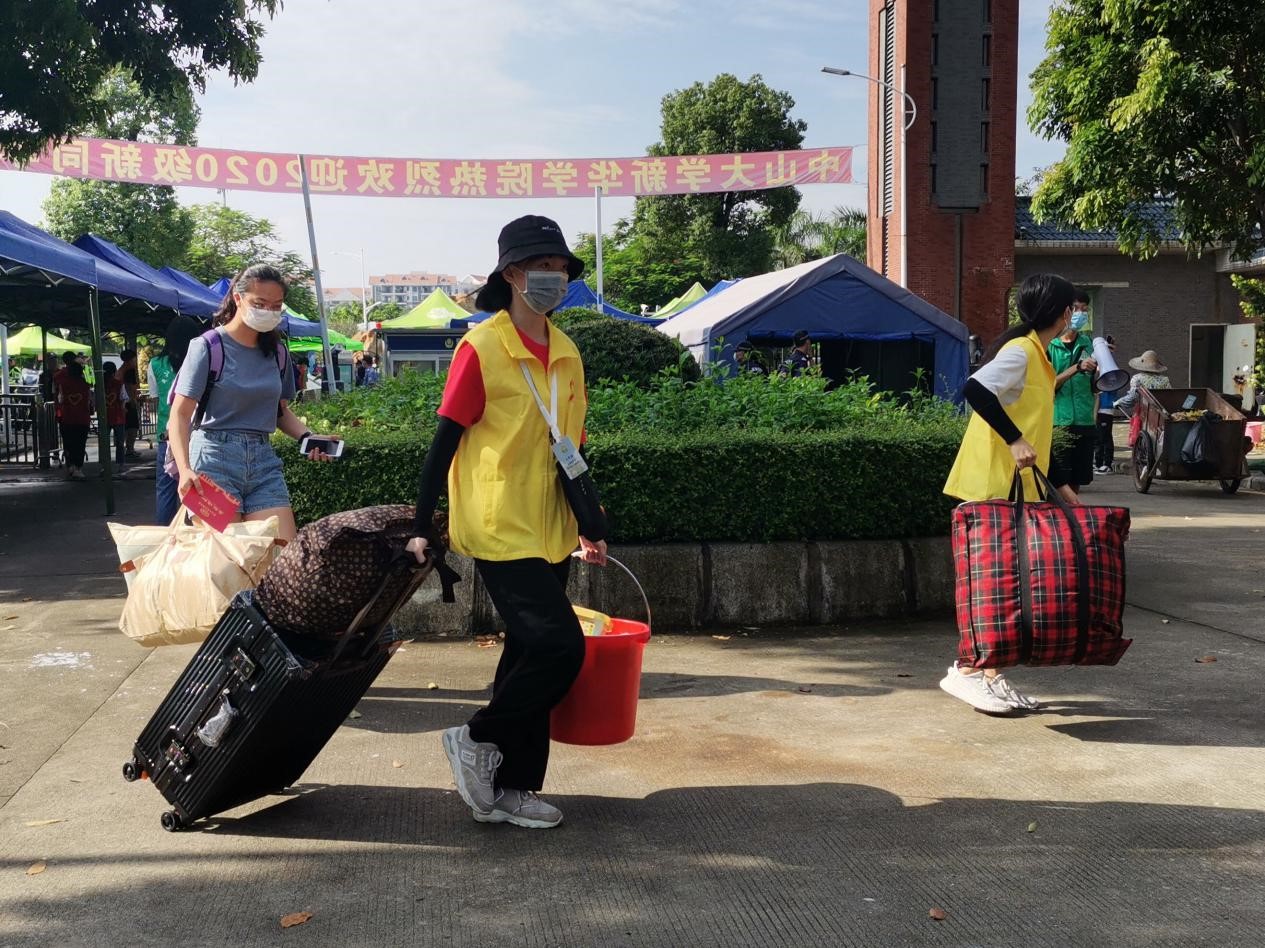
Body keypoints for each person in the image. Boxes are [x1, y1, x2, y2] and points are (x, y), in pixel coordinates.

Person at [406, 215, 607, 831]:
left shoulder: (568, 352)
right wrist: (421, 523)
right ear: (513, 275)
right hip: (496, 521)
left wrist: (587, 523)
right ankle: (475, 737)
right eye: (541, 268)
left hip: (548, 523)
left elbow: (569, 446)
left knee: (524, 654)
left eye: (560, 269)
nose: (554, 278)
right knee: (559, 646)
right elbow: (444, 442)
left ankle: (513, 788)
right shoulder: (482, 348)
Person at [940, 273, 1080, 715]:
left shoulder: (1040, 359)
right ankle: (965, 672)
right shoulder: (1020, 353)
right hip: (990, 489)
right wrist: (1014, 439)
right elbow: (975, 389)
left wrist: (1062, 486)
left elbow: (1038, 433)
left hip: (1013, 492)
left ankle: (992, 675)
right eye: (1073, 307)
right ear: (1063, 313)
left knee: (1008, 591)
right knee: (989, 588)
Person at [168, 264, 338, 543]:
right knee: (228, 563)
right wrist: (185, 469)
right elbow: (180, 415)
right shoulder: (208, 347)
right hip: (211, 461)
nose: (268, 311)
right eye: (259, 303)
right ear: (237, 298)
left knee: (281, 555)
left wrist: (309, 437)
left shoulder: (278, 353)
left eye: (276, 306)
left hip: (262, 462)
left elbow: (278, 411)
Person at [148, 315, 204, 524]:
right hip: (198, 433)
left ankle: (166, 539)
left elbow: (155, 397)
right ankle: (196, 536)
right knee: (198, 490)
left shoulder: (154, 364)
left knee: (165, 490)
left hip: (167, 434)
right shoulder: (202, 360)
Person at [1047, 289, 1098, 495]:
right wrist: (1076, 367)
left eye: (1084, 310)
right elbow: (1048, 386)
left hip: (1085, 421)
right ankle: (1056, 520)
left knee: (1077, 480)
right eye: (1076, 308)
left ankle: (1071, 521)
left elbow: (1094, 387)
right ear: (1064, 312)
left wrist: (1103, 367)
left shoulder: (1089, 344)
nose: (1080, 314)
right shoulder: (1049, 346)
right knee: (1057, 481)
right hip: (1059, 422)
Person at [52, 351, 93, 481]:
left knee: (68, 443)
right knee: (80, 444)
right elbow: (90, 400)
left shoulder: (61, 381)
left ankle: (70, 466)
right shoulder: (86, 385)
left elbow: (59, 398)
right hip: (82, 419)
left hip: (66, 417)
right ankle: (78, 468)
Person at [1113, 350, 1172, 416]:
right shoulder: (1165, 380)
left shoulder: (1137, 378)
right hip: (1161, 414)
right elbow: (1169, 397)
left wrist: (1119, 402)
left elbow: (1132, 397)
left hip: (1143, 413)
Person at [1094, 335, 1119, 474]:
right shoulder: (1105, 365)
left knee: (1104, 436)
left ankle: (1106, 464)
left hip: (1106, 406)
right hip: (1102, 406)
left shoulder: (1110, 366)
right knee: (1101, 436)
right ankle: (1099, 463)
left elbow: (1112, 385)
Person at [102, 362, 128, 471]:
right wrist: (123, 408)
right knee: (120, 442)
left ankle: (105, 465)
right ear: (114, 371)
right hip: (118, 416)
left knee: (104, 442)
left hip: (104, 416)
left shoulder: (100, 384)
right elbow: (124, 398)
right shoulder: (119, 383)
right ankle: (120, 464)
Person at [119, 348, 142, 460]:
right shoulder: (128, 371)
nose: (135, 362)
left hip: (127, 402)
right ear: (128, 360)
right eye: (134, 359)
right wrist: (134, 401)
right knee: (132, 427)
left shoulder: (122, 370)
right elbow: (130, 387)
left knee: (129, 427)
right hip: (129, 402)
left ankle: (129, 449)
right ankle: (130, 449)